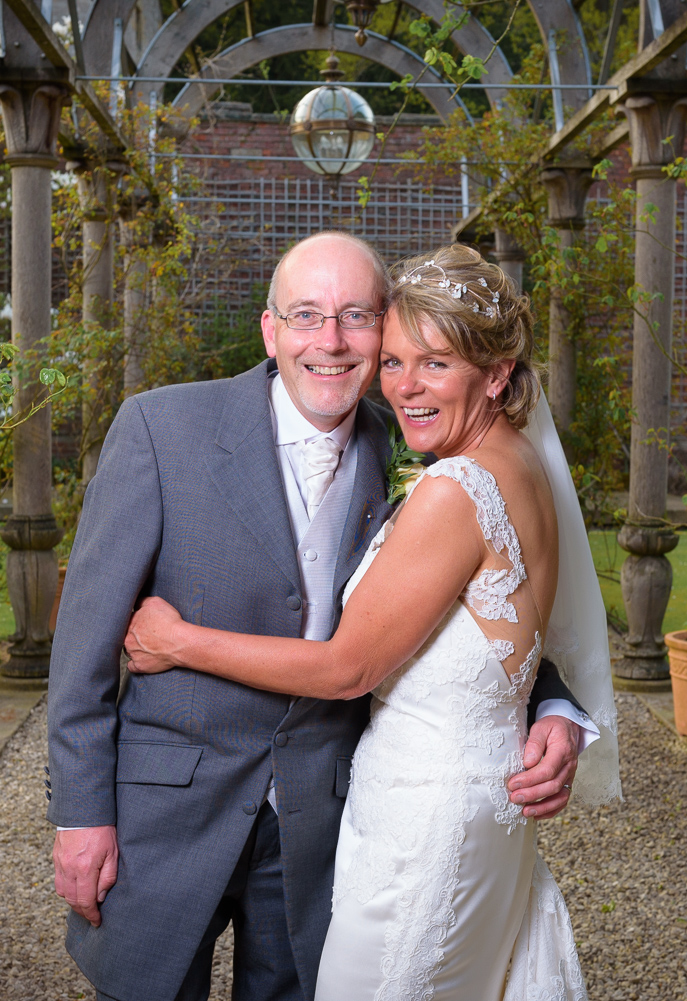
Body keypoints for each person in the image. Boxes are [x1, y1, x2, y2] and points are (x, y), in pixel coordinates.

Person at [47, 232, 605, 1001]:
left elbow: (476, 613)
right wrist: (80, 816)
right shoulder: (160, 430)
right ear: (270, 330)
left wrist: (553, 704)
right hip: (167, 817)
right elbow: (83, 643)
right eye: (306, 315)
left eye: (354, 317)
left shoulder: (413, 448)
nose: (331, 342)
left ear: (384, 326)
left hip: (326, 823)